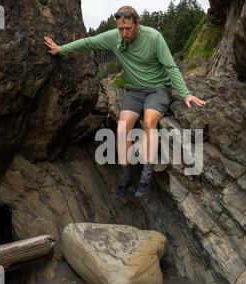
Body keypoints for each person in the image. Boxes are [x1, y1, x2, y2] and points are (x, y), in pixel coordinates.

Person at [44, 6, 206, 199]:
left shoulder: (153, 37)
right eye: (121, 29)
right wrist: (60, 49)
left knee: (148, 122)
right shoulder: (115, 37)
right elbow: (88, 43)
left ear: (138, 24)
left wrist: (185, 93)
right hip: (134, 91)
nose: (124, 33)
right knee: (122, 129)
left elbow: (170, 67)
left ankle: (146, 176)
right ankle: (125, 175)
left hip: (158, 89)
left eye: (128, 28)